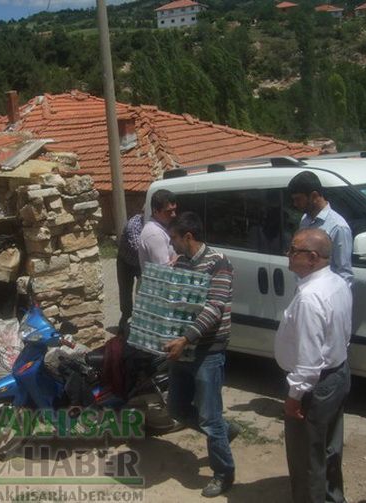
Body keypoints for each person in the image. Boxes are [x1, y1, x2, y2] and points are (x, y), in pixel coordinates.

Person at [275, 228, 352, 503]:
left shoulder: (311, 297)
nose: (288, 254)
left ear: (311, 257)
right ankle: (333, 498)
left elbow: (309, 362)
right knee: (329, 448)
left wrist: (295, 397)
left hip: (315, 387)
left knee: (306, 459)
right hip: (338, 375)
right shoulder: (337, 283)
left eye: (293, 250)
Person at [164, 212, 237, 498]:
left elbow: (215, 307)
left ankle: (223, 471)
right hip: (182, 347)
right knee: (177, 409)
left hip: (207, 349)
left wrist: (186, 338)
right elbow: (177, 299)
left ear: (188, 237)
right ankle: (225, 430)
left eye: (174, 239)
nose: (172, 245)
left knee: (208, 416)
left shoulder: (219, 263)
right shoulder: (182, 262)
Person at [288, 171, 353, 285]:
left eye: (298, 199)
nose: (295, 204)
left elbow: (344, 273)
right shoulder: (305, 220)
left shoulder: (338, 227)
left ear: (313, 196)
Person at [116, 211, 144, 335]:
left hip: (140, 262)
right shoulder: (134, 224)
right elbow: (136, 246)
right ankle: (124, 319)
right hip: (125, 261)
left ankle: (140, 321)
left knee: (143, 291)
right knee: (125, 291)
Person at [138, 189, 177, 271]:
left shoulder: (161, 229)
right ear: (155, 211)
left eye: (174, 210)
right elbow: (164, 271)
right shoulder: (155, 234)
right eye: (169, 211)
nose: (173, 215)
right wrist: (179, 260)